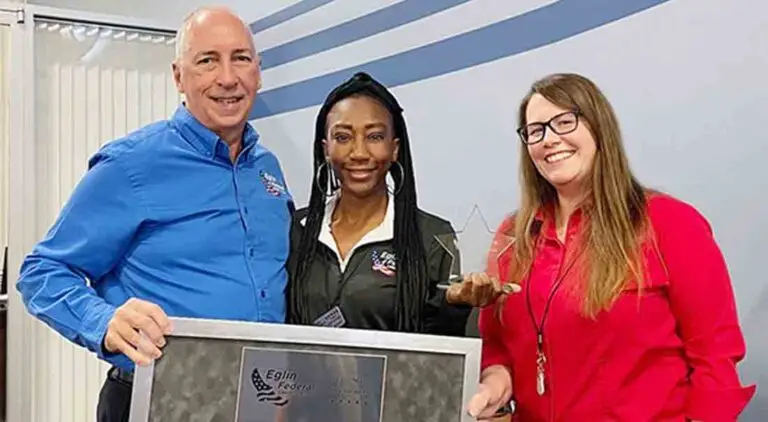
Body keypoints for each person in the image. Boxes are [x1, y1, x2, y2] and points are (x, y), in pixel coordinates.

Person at [15, 6, 293, 422]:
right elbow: (40, 272)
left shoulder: (267, 168)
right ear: (179, 76)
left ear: (258, 71)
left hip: (257, 401)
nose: (228, 78)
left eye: (241, 58)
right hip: (159, 398)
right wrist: (104, 322)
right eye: (207, 61)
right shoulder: (130, 165)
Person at [447, 73, 756, 421]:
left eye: (564, 122)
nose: (549, 139)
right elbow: (500, 349)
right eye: (536, 131)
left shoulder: (670, 223)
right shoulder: (512, 237)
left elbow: (714, 355)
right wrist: (492, 387)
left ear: (598, 128)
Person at [287, 71, 471, 336]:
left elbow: (439, 353)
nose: (359, 153)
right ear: (326, 148)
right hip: (301, 378)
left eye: (374, 137)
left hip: (395, 379)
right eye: (342, 137)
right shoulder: (296, 229)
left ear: (395, 148)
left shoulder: (432, 237)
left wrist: (454, 305)